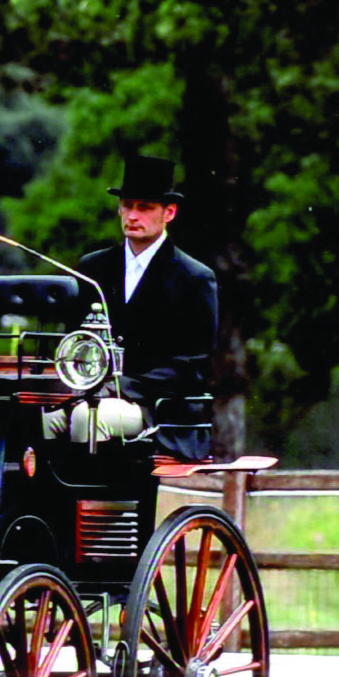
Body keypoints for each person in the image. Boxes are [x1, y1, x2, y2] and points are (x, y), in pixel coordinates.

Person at [45, 154, 218, 459]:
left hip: (161, 411)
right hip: (90, 396)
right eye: (127, 206)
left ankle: (96, 504)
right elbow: (76, 340)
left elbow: (193, 365)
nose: (133, 215)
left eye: (145, 208)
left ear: (170, 212)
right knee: (40, 422)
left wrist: (120, 386)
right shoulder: (93, 267)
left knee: (88, 418)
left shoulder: (194, 278)